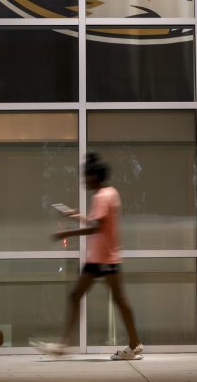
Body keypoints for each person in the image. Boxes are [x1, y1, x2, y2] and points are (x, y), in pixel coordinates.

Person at [33, 152, 143, 360]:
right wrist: (75, 216)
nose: (84, 179)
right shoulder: (110, 193)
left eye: (85, 176)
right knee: (93, 297)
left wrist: (66, 233)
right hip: (102, 258)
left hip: (104, 259)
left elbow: (97, 228)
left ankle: (65, 346)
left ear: (94, 176)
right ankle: (133, 343)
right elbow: (98, 223)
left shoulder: (102, 196)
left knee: (105, 298)